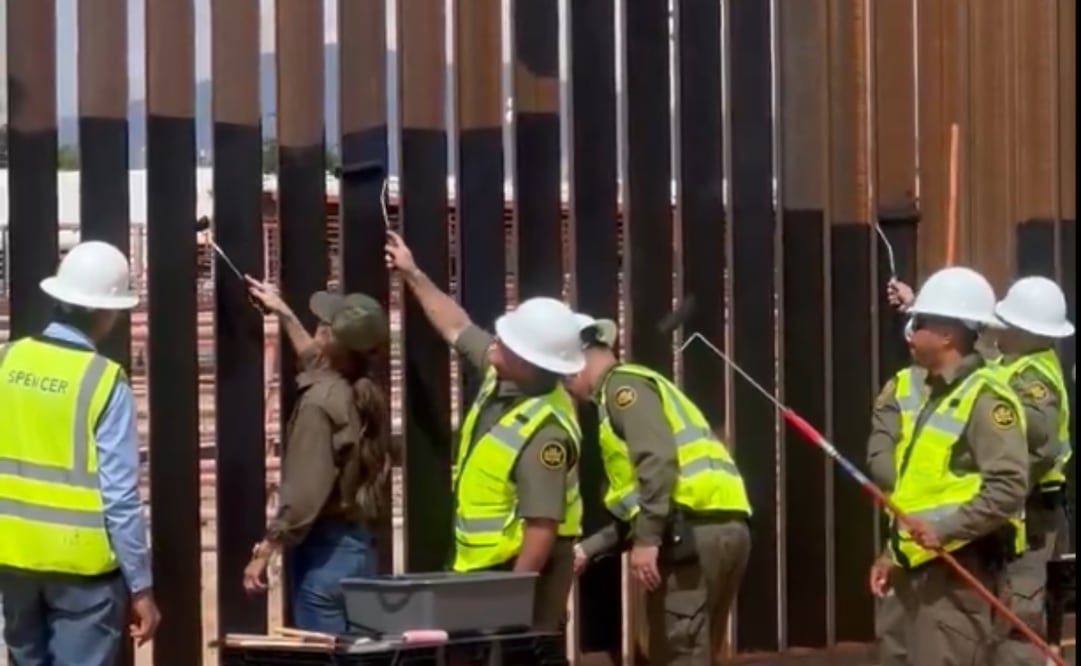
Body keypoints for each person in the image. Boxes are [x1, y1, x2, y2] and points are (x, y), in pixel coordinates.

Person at [383, 230, 584, 632]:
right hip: (486, 566)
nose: (495, 341)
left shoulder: (545, 433)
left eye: (507, 342)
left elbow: (541, 528)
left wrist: (512, 601)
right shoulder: (504, 374)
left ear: (528, 363)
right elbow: (456, 326)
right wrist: (412, 272)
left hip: (519, 571)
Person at [0, 241, 160, 665]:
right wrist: (141, 588)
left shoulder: (9, 360)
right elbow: (121, 497)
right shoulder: (104, 381)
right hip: (83, 572)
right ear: (106, 312)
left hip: (12, 558)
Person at [566, 314, 752, 665]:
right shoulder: (650, 388)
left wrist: (647, 541)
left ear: (576, 363)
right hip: (723, 529)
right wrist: (589, 549)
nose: (568, 389)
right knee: (698, 650)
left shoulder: (622, 391)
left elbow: (658, 460)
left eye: (563, 377)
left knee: (675, 653)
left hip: (688, 538)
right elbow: (645, 501)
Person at [868, 266, 1030, 665]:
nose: (911, 330)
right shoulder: (933, 396)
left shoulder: (986, 400)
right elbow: (919, 491)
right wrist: (893, 552)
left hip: (958, 572)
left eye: (919, 321)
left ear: (947, 334)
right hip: (918, 565)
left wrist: (944, 531)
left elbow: (1008, 486)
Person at [242, 278, 394, 634]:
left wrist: (265, 551)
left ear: (328, 338)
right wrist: (282, 311)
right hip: (356, 549)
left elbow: (304, 495)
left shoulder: (319, 405)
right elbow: (316, 361)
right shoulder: (362, 392)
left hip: (323, 556)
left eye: (321, 326)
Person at [987, 276, 1075, 662]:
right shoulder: (1017, 363)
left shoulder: (1035, 382)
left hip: (1032, 520)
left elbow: (1039, 447)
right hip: (1027, 516)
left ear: (1026, 331)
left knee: (1018, 621)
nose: (998, 327)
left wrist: (994, 482)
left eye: (1007, 322)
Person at [865, 319, 925, 666]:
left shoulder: (900, 386)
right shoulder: (984, 380)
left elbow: (880, 460)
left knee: (898, 633)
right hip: (925, 525)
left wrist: (898, 487)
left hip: (913, 520)